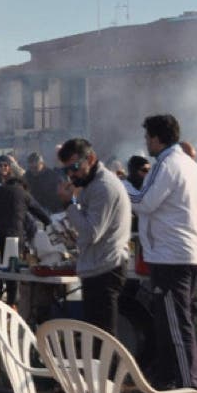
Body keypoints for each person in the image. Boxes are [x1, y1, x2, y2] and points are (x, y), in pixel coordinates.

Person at [125, 114, 197, 391]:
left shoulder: (167, 163)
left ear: (157, 139)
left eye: (148, 137)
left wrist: (121, 184)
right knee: (172, 321)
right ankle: (170, 380)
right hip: (183, 252)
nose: (146, 143)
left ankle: (186, 384)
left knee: (176, 323)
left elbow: (144, 202)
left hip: (171, 256)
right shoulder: (188, 164)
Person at [55, 137, 132, 335]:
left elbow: (90, 232)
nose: (72, 174)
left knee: (103, 340)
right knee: (95, 337)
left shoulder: (103, 187)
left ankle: (108, 367)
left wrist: (68, 205)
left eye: (75, 167)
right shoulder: (91, 184)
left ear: (91, 159)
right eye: (67, 170)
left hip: (105, 269)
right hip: (97, 265)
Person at [0, 176, 52, 306]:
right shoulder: (23, 193)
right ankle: (11, 303)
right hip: (14, 236)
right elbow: (42, 214)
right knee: (12, 271)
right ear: (23, 186)